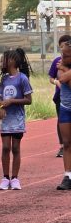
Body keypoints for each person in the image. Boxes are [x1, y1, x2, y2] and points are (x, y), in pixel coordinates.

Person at [0, 49, 33, 191]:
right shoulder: (4, 80)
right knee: (5, 147)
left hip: (17, 119)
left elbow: (28, 100)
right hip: (6, 120)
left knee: (16, 148)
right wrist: (1, 107)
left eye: (3, 60)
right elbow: (0, 99)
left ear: (12, 61)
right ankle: (5, 178)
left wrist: (12, 101)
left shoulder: (22, 78)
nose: (1, 63)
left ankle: (15, 178)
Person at [48, 34, 70, 158]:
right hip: (60, 97)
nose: (63, 49)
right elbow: (52, 78)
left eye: (65, 46)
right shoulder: (57, 61)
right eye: (61, 47)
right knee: (61, 120)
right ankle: (62, 145)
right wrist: (56, 82)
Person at [53, 41, 71, 190]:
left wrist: (66, 70)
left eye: (66, 56)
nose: (62, 58)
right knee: (67, 143)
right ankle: (68, 176)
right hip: (65, 108)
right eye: (62, 54)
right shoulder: (60, 65)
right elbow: (62, 79)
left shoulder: (62, 67)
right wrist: (65, 69)